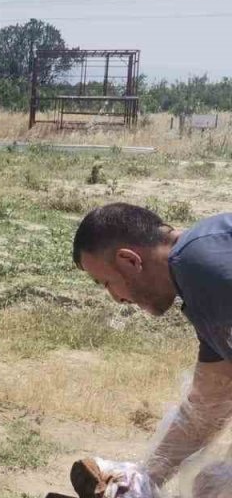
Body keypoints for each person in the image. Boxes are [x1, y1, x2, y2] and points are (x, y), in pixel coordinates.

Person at [72, 203, 232, 495]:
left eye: (107, 282)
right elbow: (207, 407)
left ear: (130, 261)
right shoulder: (201, 273)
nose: (115, 298)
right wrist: (145, 479)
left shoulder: (208, 272)